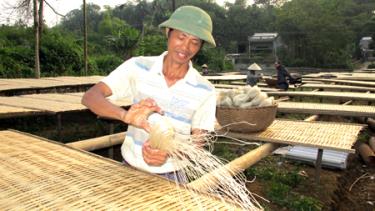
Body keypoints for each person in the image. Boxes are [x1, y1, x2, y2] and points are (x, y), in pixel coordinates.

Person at [81, 5, 217, 183]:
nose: (186, 47)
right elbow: (90, 97)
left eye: (195, 42)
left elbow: (198, 144)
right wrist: (125, 115)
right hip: (130, 170)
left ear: (200, 46)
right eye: (181, 37)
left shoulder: (206, 90)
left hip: (174, 177)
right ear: (168, 32)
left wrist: (168, 151)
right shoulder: (137, 67)